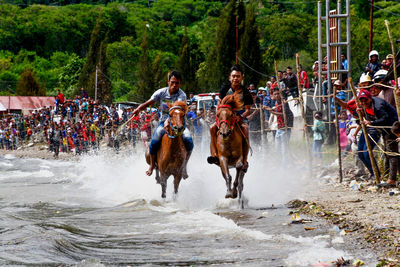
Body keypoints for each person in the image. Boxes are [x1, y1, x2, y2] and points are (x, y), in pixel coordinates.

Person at [131, 70, 193, 177]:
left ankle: (184, 167)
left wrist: (169, 121)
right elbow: (149, 102)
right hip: (163, 123)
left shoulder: (181, 95)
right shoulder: (161, 92)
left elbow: (175, 110)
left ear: (180, 83)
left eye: (177, 83)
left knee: (189, 140)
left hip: (178, 124)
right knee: (155, 140)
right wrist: (138, 109)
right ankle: (152, 165)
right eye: (172, 82)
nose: (174, 85)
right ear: (168, 81)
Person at [207, 65, 253, 170]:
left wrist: (240, 117)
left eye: (238, 76)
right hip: (225, 118)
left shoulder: (245, 92)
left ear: (242, 78)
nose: (235, 78)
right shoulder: (225, 89)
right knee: (212, 128)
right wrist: (219, 114)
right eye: (233, 76)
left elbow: (248, 110)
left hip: (239, 118)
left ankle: (244, 160)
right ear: (230, 77)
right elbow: (219, 104)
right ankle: (214, 154)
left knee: (245, 129)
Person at [357, 89, 398, 181]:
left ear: (370, 98)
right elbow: (359, 120)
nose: (363, 102)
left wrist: (371, 122)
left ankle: (391, 179)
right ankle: (386, 175)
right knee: (387, 152)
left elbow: (385, 118)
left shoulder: (378, 106)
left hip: (391, 128)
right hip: (382, 129)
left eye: (365, 100)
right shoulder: (364, 106)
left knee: (391, 153)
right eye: (361, 100)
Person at [266, 88, 294, 164]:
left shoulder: (284, 103)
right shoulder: (276, 103)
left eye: (278, 93)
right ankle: (281, 162)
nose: (277, 95)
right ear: (273, 96)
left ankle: (284, 165)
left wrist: (272, 112)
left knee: (284, 149)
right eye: (275, 94)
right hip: (279, 128)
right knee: (277, 148)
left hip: (285, 128)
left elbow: (284, 115)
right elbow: (276, 111)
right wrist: (270, 110)